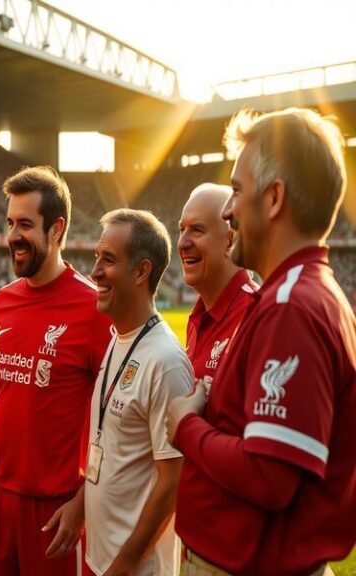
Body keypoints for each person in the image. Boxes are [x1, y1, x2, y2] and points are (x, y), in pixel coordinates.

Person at [168, 108, 356, 576]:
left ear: (274, 199)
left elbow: (268, 476)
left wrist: (185, 425)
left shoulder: (292, 305)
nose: (228, 210)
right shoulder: (299, 293)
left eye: (236, 189)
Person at [0, 165, 113, 575]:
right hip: (2, 503)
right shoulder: (2, 303)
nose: (13, 235)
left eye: (26, 224)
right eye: (10, 222)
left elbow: (114, 419)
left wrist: (83, 501)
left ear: (56, 229)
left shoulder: (93, 308)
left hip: (57, 511)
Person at [84, 209, 192, 576]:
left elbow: (172, 483)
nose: (95, 270)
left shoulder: (166, 361)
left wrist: (123, 567)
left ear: (142, 271)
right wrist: (79, 503)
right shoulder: (118, 338)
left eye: (108, 260)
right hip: (102, 559)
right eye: (97, 257)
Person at [177, 183, 257, 392]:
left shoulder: (257, 316)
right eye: (181, 229)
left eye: (197, 230)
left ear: (230, 241)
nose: (182, 243)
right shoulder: (197, 318)